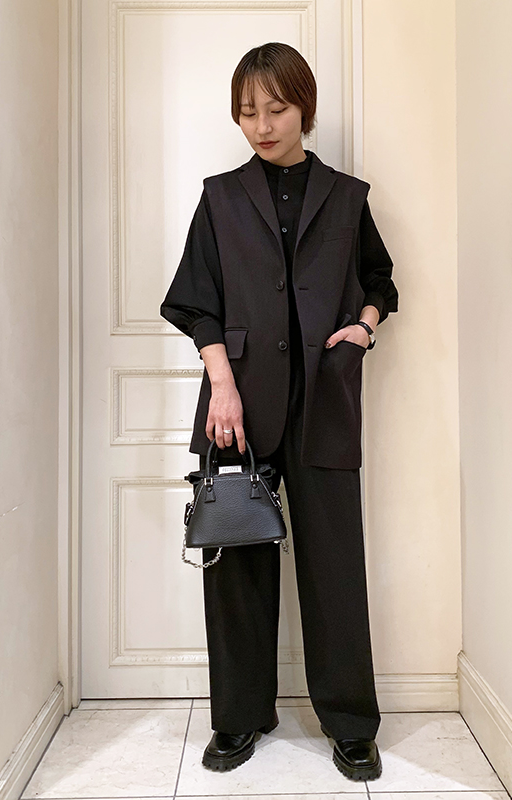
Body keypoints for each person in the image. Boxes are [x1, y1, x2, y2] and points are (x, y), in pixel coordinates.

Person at [160, 42, 399, 782]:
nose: (261, 126)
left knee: (335, 565)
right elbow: (194, 301)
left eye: (276, 108)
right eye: (247, 112)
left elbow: (380, 280)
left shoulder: (347, 197)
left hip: (324, 399)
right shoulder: (221, 198)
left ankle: (350, 725)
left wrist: (362, 328)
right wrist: (221, 384)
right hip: (236, 404)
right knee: (236, 563)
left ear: (305, 108)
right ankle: (239, 717)